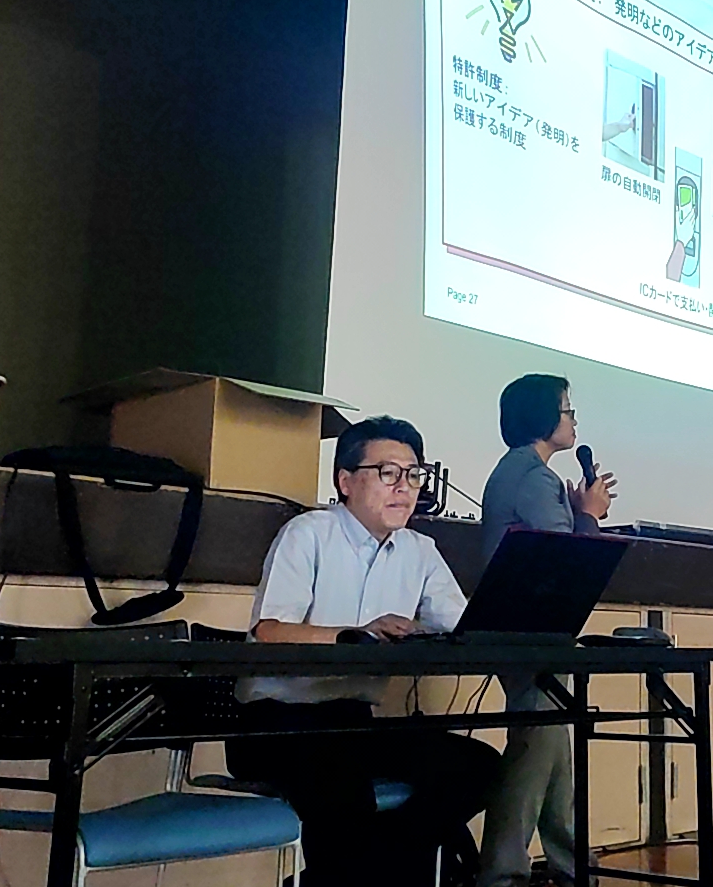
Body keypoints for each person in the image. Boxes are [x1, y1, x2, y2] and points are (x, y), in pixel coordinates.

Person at [228, 415, 501, 887]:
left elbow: (463, 626)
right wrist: (355, 633)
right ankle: (369, 871)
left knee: (478, 768)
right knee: (341, 786)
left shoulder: (419, 550)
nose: (404, 487)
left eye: (414, 474)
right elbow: (270, 630)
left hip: (351, 720)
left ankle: (368, 868)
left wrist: (434, 634)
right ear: (346, 481)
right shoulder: (309, 533)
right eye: (388, 473)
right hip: (275, 723)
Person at [476, 375, 616, 887]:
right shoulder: (535, 477)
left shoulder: (519, 470)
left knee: (552, 748)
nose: (574, 419)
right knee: (535, 751)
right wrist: (590, 517)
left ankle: (571, 865)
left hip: (525, 630)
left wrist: (578, 513)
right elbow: (563, 561)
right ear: (542, 417)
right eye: (566, 409)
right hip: (526, 630)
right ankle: (502, 873)